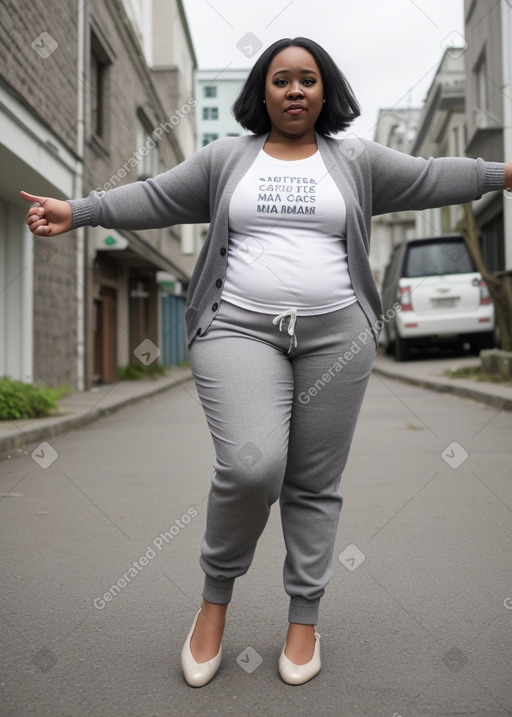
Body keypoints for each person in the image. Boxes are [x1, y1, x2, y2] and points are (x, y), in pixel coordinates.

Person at [22, 37, 511, 688]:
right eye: (281, 79)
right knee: (252, 464)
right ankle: (213, 601)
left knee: (312, 482)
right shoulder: (228, 158)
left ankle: (304, 616)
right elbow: (157, 197)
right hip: (237, 328)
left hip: (337, 334)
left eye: (308, 79)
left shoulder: (355, 159)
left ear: (326, 91)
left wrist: (501, 174)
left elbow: (429, 176)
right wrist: (78, 210)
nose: (295, 90)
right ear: (263, 91)